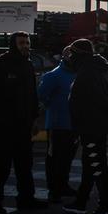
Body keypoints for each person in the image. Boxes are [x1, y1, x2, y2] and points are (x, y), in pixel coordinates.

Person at [0, 31, 46, 214]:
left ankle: (26, 198)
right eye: (21, 43)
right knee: (0, 166)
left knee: (24, 165)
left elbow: (31, 95)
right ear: (13, 44)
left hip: (24, 125)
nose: (25, 46)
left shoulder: (27, 64)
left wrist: (34, 119)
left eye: (27, 42)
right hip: (4, 125)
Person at [62, 39, 108, 214]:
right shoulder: (102, 69)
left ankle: (105, 208)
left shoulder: (87, 72)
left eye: (72, 53)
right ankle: (81, 202)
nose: (70, 57)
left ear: (79, 54)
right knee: (90, 165)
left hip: (92, 127)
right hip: (98, 125)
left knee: (97, 167)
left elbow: (98, 98)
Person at [37, 46, 79, 204]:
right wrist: (53, 107)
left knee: (68, 158)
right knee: (54, 158)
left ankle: (63, 185)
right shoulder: (53, 75)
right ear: (65, 56)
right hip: (57, 124)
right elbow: (41, 95)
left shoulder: (78, 74)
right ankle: (53, 189)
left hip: (74, 125)